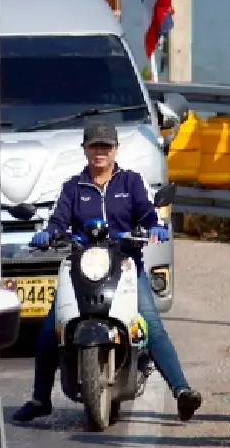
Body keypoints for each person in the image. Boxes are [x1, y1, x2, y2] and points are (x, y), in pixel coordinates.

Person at [14, 120, 204, 424]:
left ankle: (182, 391)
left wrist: (155, 226)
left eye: (106, 146)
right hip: (83, 266)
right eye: (94, 146)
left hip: (125, 265)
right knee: (52, 328)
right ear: (85, 150)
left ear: (116, 150)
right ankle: (40, 398)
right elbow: (58, 221)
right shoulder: (73, 187)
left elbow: (148, 212)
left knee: (151, 324)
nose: (100, 152)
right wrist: (48, 234)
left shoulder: (130, 182)